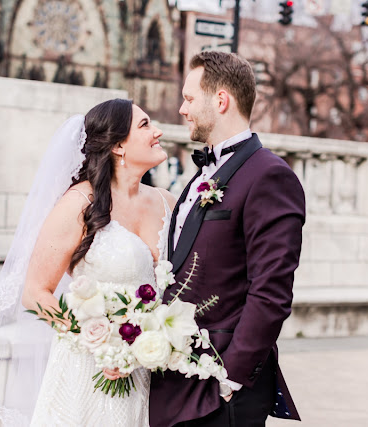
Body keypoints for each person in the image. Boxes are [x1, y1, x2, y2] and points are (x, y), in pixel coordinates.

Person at [0, 98, 176, 427]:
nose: (158, 132)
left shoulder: (168, 202)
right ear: (119, 145)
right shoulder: (79, 203)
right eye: (145, 125)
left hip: (150, 371)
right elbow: (36, 292)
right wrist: (100, 343)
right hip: (89, 369)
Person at [149, 52, 305, 427]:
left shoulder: (270, 176)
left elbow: (272, 289)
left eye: (189, 98)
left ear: (220, 101)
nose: (182, 109)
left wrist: (230, 376)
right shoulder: (204, 172)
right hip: (181, 381)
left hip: (223, 390)